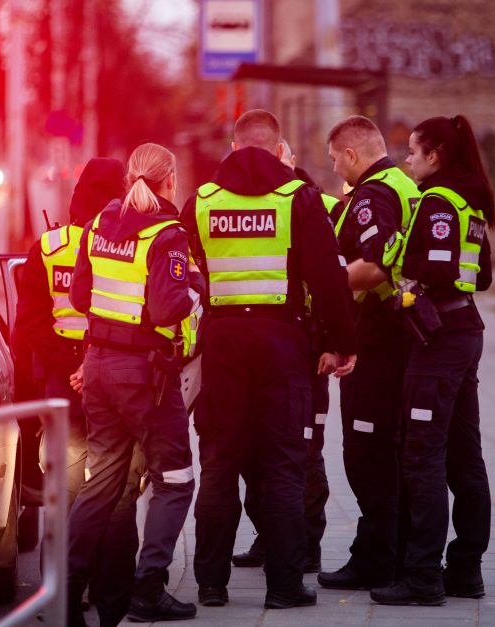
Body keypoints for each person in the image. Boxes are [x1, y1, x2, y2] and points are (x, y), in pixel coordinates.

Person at [183, 110, 358, 610]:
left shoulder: (201, 202)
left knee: (218, 464)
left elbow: (190, 271)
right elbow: (327, 277)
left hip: (222, 343)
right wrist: (344, 343)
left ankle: (211, 584)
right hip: (283, 343)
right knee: (284, 465)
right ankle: (284, 586)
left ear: (235, 147)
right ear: (279, 148)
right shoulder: (298, 198)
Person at [66, 143, 204, 625]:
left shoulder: (98, 225)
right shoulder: (168, 234)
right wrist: (193, 287)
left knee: (101, 482)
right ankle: (149, 588)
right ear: (169, 181)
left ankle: (65, 587)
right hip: (145, 374)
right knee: (175, 479)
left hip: (100, 366)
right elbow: (169, 309)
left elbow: (81, 295)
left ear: (130, 179)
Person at [14, 158, 145, 626]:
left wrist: (69, 367)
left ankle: (64, 602)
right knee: (118, 499)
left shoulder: (49, 248)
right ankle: (114, 604)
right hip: (119, 390)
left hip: (63, 394)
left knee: (65, 500)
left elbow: (28, 325)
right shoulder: (135, 242)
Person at [372, 115, 495, 606]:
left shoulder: (439, 202)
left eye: (414, 152)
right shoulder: (469, 201)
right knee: (465, 455)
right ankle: (465, 570)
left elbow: (442, 267)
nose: (407, 159)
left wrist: (401, 266)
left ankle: (423, 577)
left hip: (440, 340)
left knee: (422, 455)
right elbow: (480, 275)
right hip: (463, 331)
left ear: (435, 156)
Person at [317, 115, 419, 592]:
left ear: (353, 155)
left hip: (379, 341)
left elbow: (376, 266)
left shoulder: (371, 195)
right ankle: (386, 550)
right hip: (402, 337)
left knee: (367, 453)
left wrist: (327, 287)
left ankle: (378, 557)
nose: (335, 166)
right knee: (390, 452)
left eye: (336, 158)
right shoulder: (402, 183)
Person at [233, 139, 341, 574]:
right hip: (259, 353)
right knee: (253, 451)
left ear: (289, 159)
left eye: (274, 162)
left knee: (303, 451)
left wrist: (335, 342)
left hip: (308, 351)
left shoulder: (323, 206)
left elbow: (338, 279)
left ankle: (306, 543)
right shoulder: (229, 204)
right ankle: (270, 535)